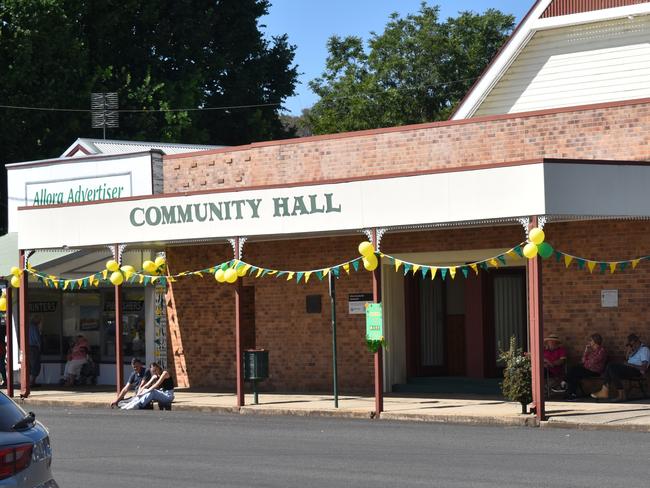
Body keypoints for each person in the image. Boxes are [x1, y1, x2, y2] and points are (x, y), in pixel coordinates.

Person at [592, 333, 650, 402]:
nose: (631, 346)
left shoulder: (644, 350)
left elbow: (644, 367)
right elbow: (627, 358)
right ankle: (615, 393)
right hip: (629, 369)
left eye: (631, 345)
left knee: (611, 367)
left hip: (636, 371)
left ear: (636, 342)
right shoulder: (634, 351)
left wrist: (630, 365)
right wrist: (628, 351)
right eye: (629, 345)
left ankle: (611, 391)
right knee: (611, 368)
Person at [563, 333, 607, 400]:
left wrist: (586, 362)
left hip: (595, 371)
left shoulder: (601, 351)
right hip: (587, 369)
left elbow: (593, 362)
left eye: (591, 340)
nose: (589, 342)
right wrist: (586, 350)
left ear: (595, 341)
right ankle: (571, 394)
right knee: (575, 374)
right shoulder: (592, 351)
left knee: (575, 370)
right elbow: (583, 360)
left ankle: (565, 383)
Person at [29, 316, 42, 387]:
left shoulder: (26, 326)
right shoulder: (34, 327)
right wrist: (40, 347)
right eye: (39, 320)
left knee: (30, 365)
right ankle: (32, 382)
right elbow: (37, 338)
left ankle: (30, 382)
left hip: (27, 347)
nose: (40, 322)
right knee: (35, 365)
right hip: (34, 348)